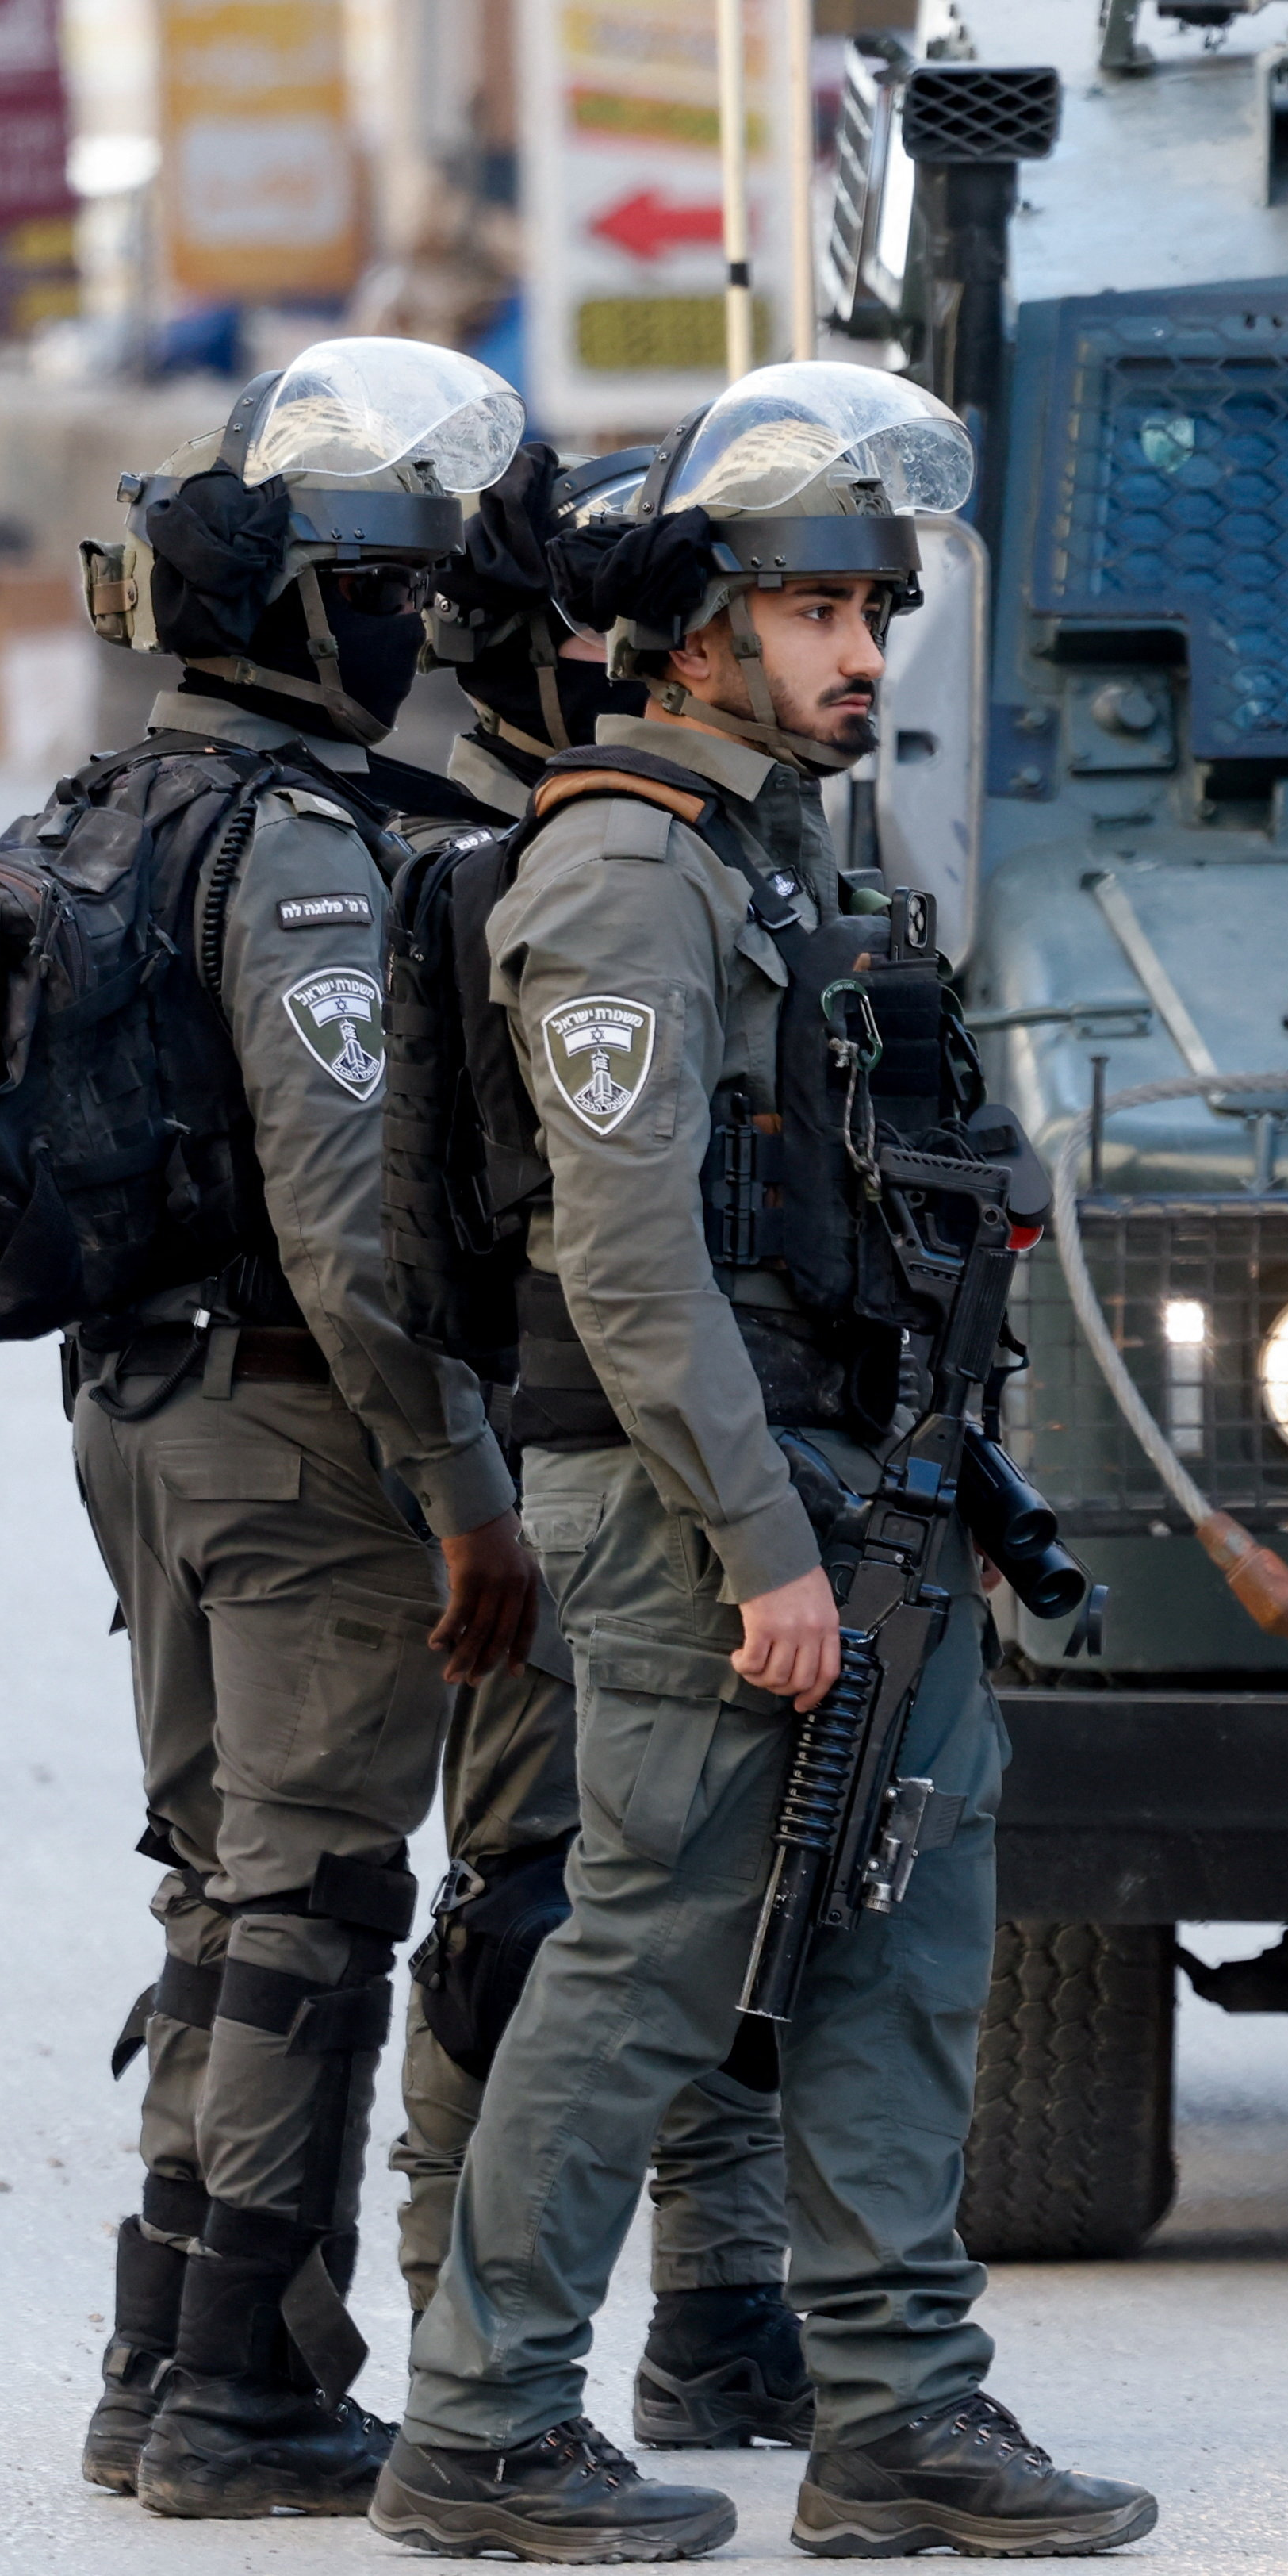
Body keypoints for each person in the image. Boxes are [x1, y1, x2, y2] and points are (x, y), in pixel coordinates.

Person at [371, 363, 1155, 2566]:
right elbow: (626, 1266)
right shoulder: (620, 868)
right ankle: (486, 2417)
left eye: (874, 609)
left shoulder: (761, 851)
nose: (859, 653)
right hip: (696, 1500)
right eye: (815, 606)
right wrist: (756, 1545)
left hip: (846, 1481)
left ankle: (899, 2407)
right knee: (644, 1948)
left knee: (903, 1935)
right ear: (700, 619)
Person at [64, 339, 546, 2517]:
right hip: (293, 1430)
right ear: (329, 606)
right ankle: (247, 2387)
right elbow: (354, 1234)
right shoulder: (309, 850)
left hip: (139, 1416)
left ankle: (156, 2357)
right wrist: (462, 1497)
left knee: (217, 1887)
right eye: (402, 597)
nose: (426, 637)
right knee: (317, 1904)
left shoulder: (115, 806)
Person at [379, 438, 810, 2451]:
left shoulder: (713, 843)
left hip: (660, 1450)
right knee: (546, 1902)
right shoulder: (552, 864)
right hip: (561, 1468)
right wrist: (471, 1495)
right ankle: (456, 2328)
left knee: (724, 1902)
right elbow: (491, 1249)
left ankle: (722, 2311)